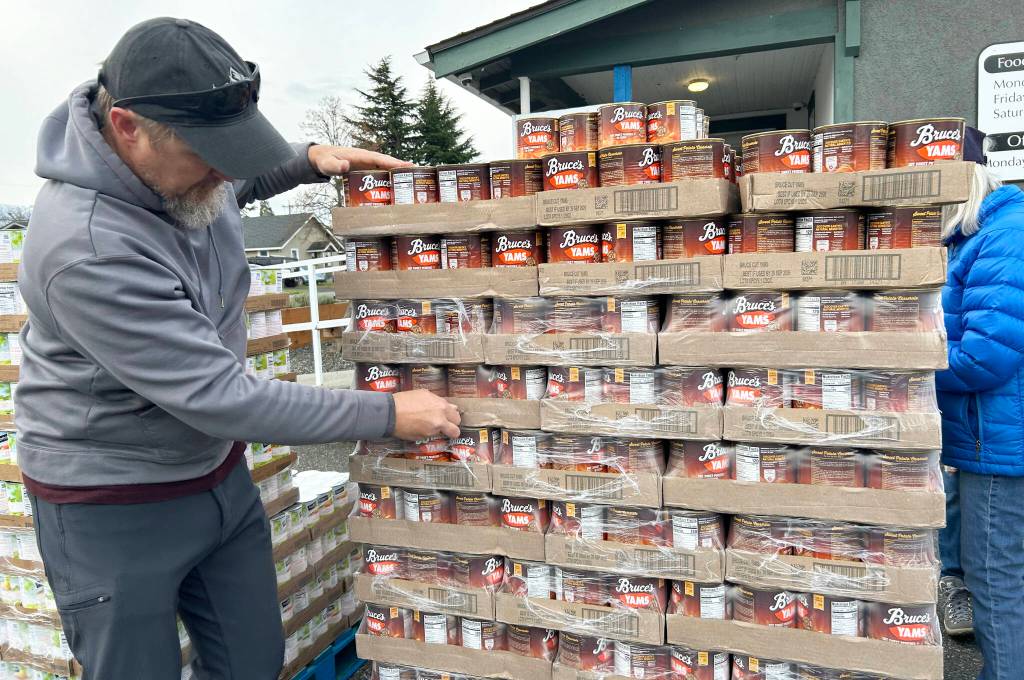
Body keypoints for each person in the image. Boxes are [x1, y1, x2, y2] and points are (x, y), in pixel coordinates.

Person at [17, 17, 459, 680]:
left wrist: (308, 158)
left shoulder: (180, 171)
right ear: (129, 128)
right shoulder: (86, 248)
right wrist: (387, 415)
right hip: (110, 500)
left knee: (251, 662)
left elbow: (234, 183)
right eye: (209, 153)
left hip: (214, 476)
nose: (224, 171)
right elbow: (221, 397)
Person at [937, 128, 1024, 680]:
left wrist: (906, 371)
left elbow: (984, 358)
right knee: (994, 577)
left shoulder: (1004, 234)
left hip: (995, 442)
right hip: (981, 436)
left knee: (996, 581)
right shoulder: (978, 233)